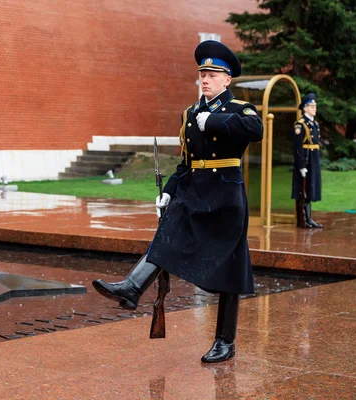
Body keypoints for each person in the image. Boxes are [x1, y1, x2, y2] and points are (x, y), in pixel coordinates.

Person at [93, 40, 263, 363]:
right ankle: (132, 286)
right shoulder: (189, 114)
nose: (205, 78)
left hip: (226, 200)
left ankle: (225, 341)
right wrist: (169, 190)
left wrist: (213, 122)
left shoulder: (239, 110)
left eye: (212, 74)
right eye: (202, 73)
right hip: (194, 194)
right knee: (168, 231)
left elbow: (256, 130)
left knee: (229, 270)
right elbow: (185, 164)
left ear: (227, 80)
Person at [292, 93, 322, 228]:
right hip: (305, 160)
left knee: (309, 189)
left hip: (313, 160)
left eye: (315, 106)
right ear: (305, 108)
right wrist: (301, 166)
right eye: (312, 106)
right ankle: (303, 219)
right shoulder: (300, 125)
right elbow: (297, 147)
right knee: (302, 191)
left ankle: (309, 218)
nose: (314, 108)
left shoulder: (314, 124)